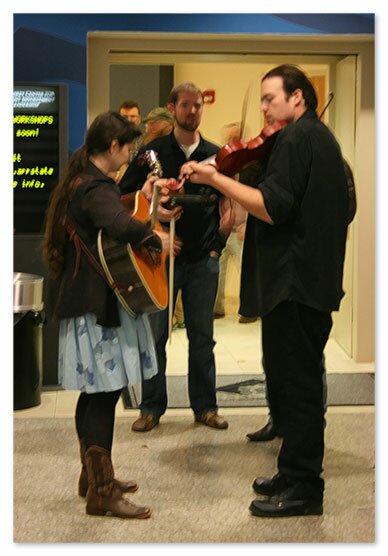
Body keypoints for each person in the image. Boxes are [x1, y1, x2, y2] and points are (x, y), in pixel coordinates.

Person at [179, 65, 348, 517]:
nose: (264, 109)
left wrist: (216, 179)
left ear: (299, 98)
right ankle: (293, 471)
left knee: (298, 387)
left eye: (271, 98)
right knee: (292, 384)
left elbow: (273, 207)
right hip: (303, 283)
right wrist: (223, 176)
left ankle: (305, 488)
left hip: (295, 285)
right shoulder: (313, 139)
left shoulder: (298, 139)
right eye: (262, 100)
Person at [42, 111, 175, 519]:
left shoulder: (84, 181)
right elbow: (117, 223)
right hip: (96, 308)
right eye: (127, 147)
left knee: (96, 393)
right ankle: (101, 492)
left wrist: (142, 197)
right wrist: (157, 238)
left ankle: (93, 477)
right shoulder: (93, 186)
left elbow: (110, 212)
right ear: (112, 148)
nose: (130, 153)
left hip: (86, 303)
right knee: (102, 396)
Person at [120, 81, 230, 432]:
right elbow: (125, 199)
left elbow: (229, 204)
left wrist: (217, 247)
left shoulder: (216, 154)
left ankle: (205, 407)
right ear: (172, 107)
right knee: (155, 339)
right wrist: (156, 229)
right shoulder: (150, 153)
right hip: (158, 263)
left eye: (197, 105)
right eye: (185, 105)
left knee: (203, 338)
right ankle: (151, 407)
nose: (192, 111)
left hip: (202, 261)